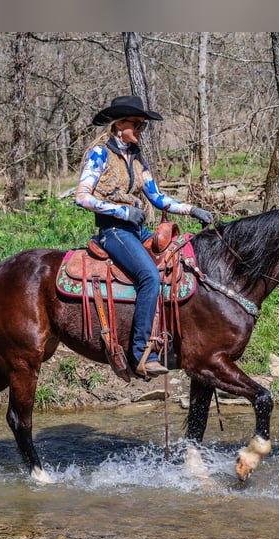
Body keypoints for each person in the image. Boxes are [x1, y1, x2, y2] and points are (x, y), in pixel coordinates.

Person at [75, 95, 213, 378]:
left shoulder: (137, 158)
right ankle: (140, 353)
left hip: (137, 230)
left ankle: (174, 339)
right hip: (114, 231)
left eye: (143, 126)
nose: (140, 130)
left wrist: (191, 209)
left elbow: (157, 196)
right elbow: (82, 197)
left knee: (178, 259)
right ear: (119, 124)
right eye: (137, 124)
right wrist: (122, 213)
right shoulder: (100, 153)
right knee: (149, 276)